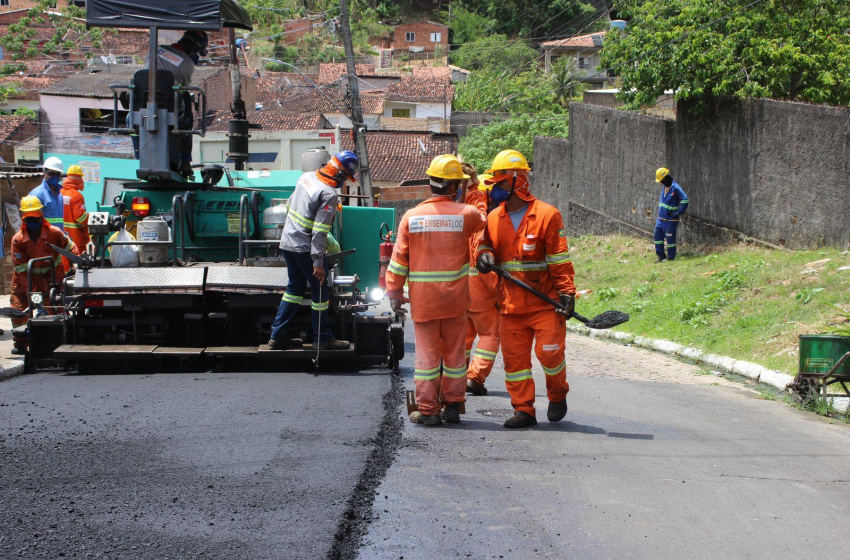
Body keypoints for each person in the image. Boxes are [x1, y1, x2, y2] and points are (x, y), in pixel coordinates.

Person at [476, 149, 576, 429]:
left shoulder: (547, 215)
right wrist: (483, 256)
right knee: (515, 362)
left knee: (550, 354)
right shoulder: (494, 218)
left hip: (545, 303)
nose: (494, 188)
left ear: (518, 181)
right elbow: (484, 245)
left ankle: (557, 395)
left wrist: (567, 293)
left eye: (500, 182)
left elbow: (559, 260)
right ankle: (524, 409)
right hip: (511, 305)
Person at [385, 154, 486, 426]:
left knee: (428, 359)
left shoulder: (411, 217)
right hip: (455, 302)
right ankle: (453, 405)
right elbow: (484, 220)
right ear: (455, 187)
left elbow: (397, 262)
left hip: (424, 302)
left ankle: (428, 410)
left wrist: (395, 296)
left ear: (430, 183)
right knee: (454, 356)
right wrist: (473, 186)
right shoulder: (467, 215)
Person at [268, 151, 359, 350]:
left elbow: (290, 204)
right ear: (341, 175)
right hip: (304, 249)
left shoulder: (306, 177)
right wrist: (318, 262)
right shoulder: (328, 194)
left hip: (287, 243)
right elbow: (319, 232)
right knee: (320, 291)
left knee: (294, 289)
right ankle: (323, 338)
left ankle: (278, 336)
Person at [10, 196, 79, 355]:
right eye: (29, 219)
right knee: (19, 311)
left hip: (52, 280)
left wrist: (77, 262)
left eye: (35, 218)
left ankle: (64, 339)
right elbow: (21, 270)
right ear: (24, 219)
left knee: (58, 310)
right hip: (26, 282)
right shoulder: (18, 240)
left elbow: (70, 247)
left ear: (41, 216)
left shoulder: (53, 233)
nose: (33, 222)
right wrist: (31, 291)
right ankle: (21, 343)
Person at [140, 30, 209, 177]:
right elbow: (182, 87)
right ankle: (184, 161)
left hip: (143, 104)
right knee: (186, 116)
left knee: (130, 121)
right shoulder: (187, 64)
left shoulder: (156, 50)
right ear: (193, 48)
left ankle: (138, 156)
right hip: (169, 105)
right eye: (196, 51)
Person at [462, 166, 500, 396]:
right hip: (482, 296)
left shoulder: (463, 219)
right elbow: (487, 267)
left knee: (464, 338)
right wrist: (501, 295)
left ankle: (457, 374)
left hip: (460, 292)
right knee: (489, 335)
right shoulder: (484, 226)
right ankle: (475, 377)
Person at [654, 167, 689, 263]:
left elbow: (685, 200)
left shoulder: (676, 188)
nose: (661, 182)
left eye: (661, 180)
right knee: (657, 238)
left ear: (666, 178)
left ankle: (671, 257)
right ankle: (661, 256)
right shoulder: (664, 187)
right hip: (660, 219)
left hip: (670, 220)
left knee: (670, 240)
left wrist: (678, 212)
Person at [61, 164, 90, 272]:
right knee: (80, 265)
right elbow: (80, 217)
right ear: (78, 179)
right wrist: (90, 218)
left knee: (65, 263)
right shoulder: (77, 196)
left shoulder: (60, 193)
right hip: (76, 236)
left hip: (63, 235)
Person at [30, 156, 65, 232]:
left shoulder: (59, 195)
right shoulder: (37, 195)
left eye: (57, 174)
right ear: (44, 173)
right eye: (51, 173)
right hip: (44, 240)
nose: (55, 177)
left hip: (58, 238)